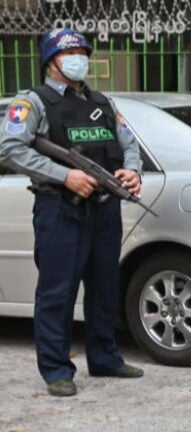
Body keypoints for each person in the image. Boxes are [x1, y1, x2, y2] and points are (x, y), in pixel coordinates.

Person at [0, 28, 145, 397]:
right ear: (52, 60)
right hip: (59, 208)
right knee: (57, 291)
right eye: (71, 52)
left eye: (83, 51)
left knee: (104, 286)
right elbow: (10, 149)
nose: (80, 58)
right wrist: (65, 175)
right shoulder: (31, 102)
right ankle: (55, 369)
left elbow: (128, 144)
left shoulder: (103, 102)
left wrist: (132, 171)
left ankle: (105, 357)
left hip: (104, 208)